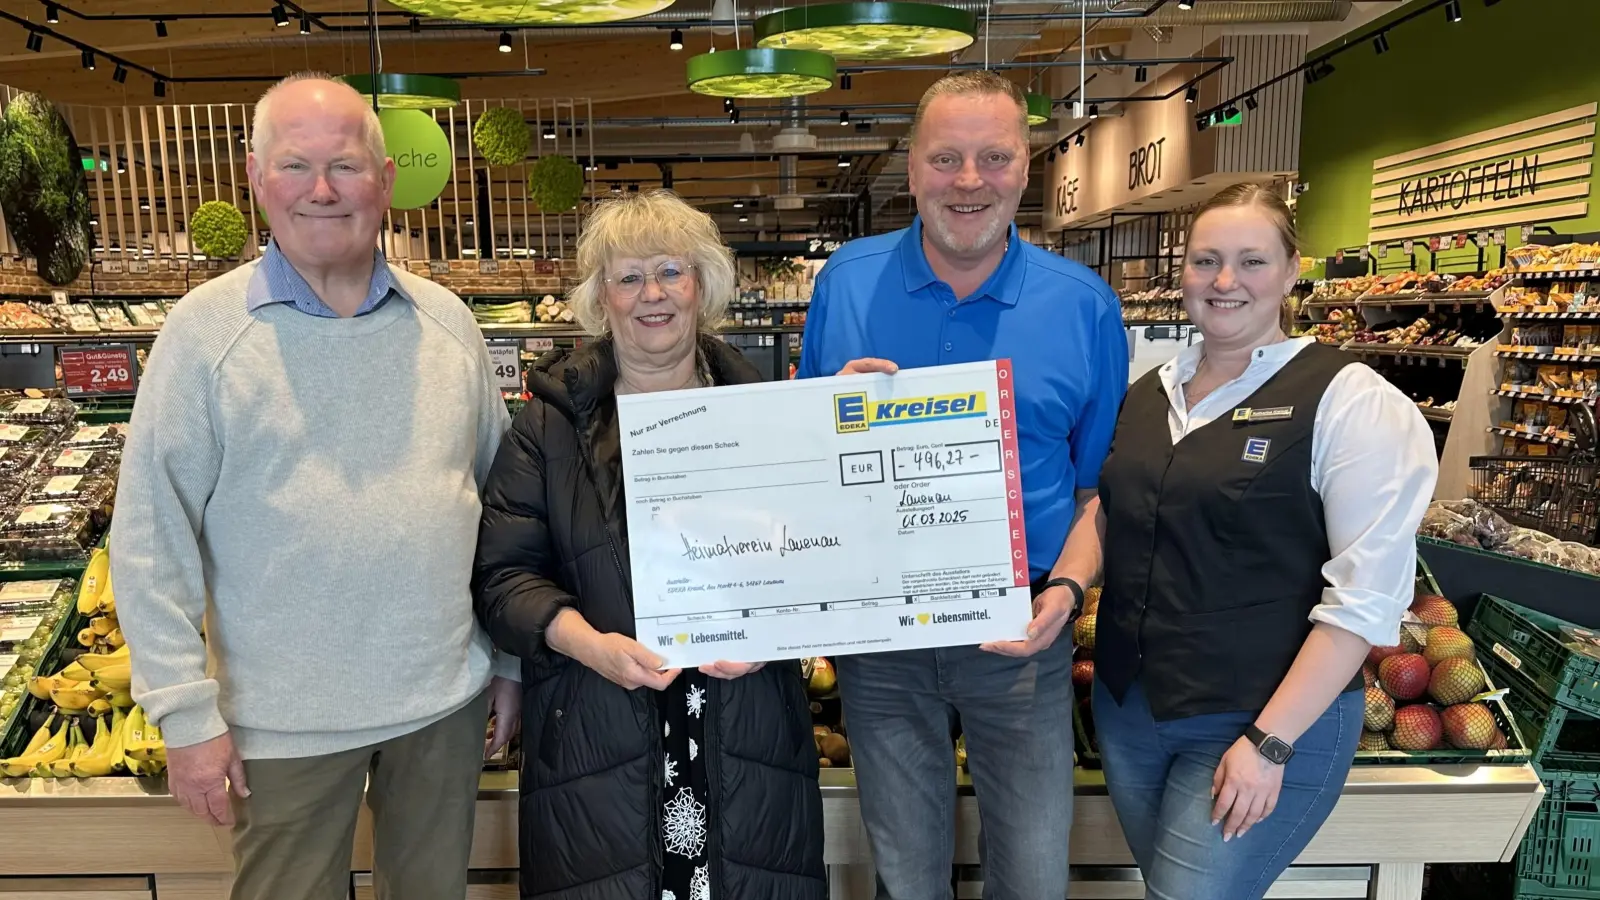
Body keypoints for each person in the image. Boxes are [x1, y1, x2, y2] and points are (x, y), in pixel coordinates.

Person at [111, 72, 520, 900]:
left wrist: (509, 660)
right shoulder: (204, 336)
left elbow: (504, 509)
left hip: (442, 706)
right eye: (295, 167)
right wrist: (186, 719)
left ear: (387, 181)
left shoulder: (449, 325)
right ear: (258, 181)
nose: (323, 190)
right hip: (279, 726)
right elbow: (151, 537)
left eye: (346, 165)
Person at [796, 70, 1127, 899]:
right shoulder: (846, 284)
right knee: (906, 875)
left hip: (1022, 634)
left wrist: (1067, 593)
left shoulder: (1083, 307)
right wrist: (833, 418)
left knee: (1032, 873)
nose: (969, 181)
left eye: (993, 157)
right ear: (911, 170)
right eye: (946, 158)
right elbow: (802, 462)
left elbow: (1101, 491)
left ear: (1027, 167)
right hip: (881, 643)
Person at [473, 189, 826, 900]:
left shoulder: (767, 412)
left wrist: (854, 424)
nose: (652, 294)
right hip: (599, 726)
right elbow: (504, 579)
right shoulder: (547, 427)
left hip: (745, 724)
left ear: (704, 285)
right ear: (601, 298)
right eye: (628, 277)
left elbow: (815, 561)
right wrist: (586, 644)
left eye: (671, 270)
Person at [1092, 182, 1439, 900]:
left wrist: (1269, 741)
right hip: (1133, 714)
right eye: (1205, 260)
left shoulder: (1351, 401)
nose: (1224, 282)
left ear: (1290, 271)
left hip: (1263, 719)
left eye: (1251, 261)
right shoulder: (1150, 390)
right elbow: (1113, 512)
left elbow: (1365, 599)